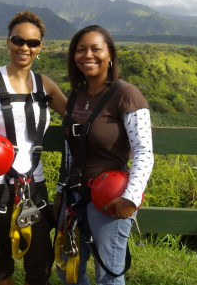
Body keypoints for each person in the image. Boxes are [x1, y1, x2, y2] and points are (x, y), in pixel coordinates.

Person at [0, 11, 67, 285]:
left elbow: (77, 116)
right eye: (18, 40)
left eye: (32, 43)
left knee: (40, 259)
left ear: (40, 47)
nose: (24, 48)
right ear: (8, 42)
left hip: (33, 183)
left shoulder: (46, 85)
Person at [54, 25, 154, 285]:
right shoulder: (76, 95)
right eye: (80, 49)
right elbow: (70, 150)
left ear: (110, 54)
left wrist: (130, 199)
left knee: (108, 274)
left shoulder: (127, 95)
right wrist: (59, 191)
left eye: (96, 48)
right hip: (73, 195)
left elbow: (144, 152)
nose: (88, 55)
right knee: (68, 270)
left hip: (109, 197)